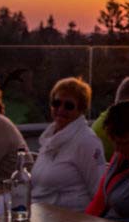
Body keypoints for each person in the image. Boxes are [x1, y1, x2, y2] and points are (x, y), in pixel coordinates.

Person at [31, 77, 106, 212]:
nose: (60, 109)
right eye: (56, 103)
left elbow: (98, 192)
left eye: (69, 106)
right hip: (40, 214)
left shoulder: (87, 141)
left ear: (81, 109)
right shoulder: (49, 139)